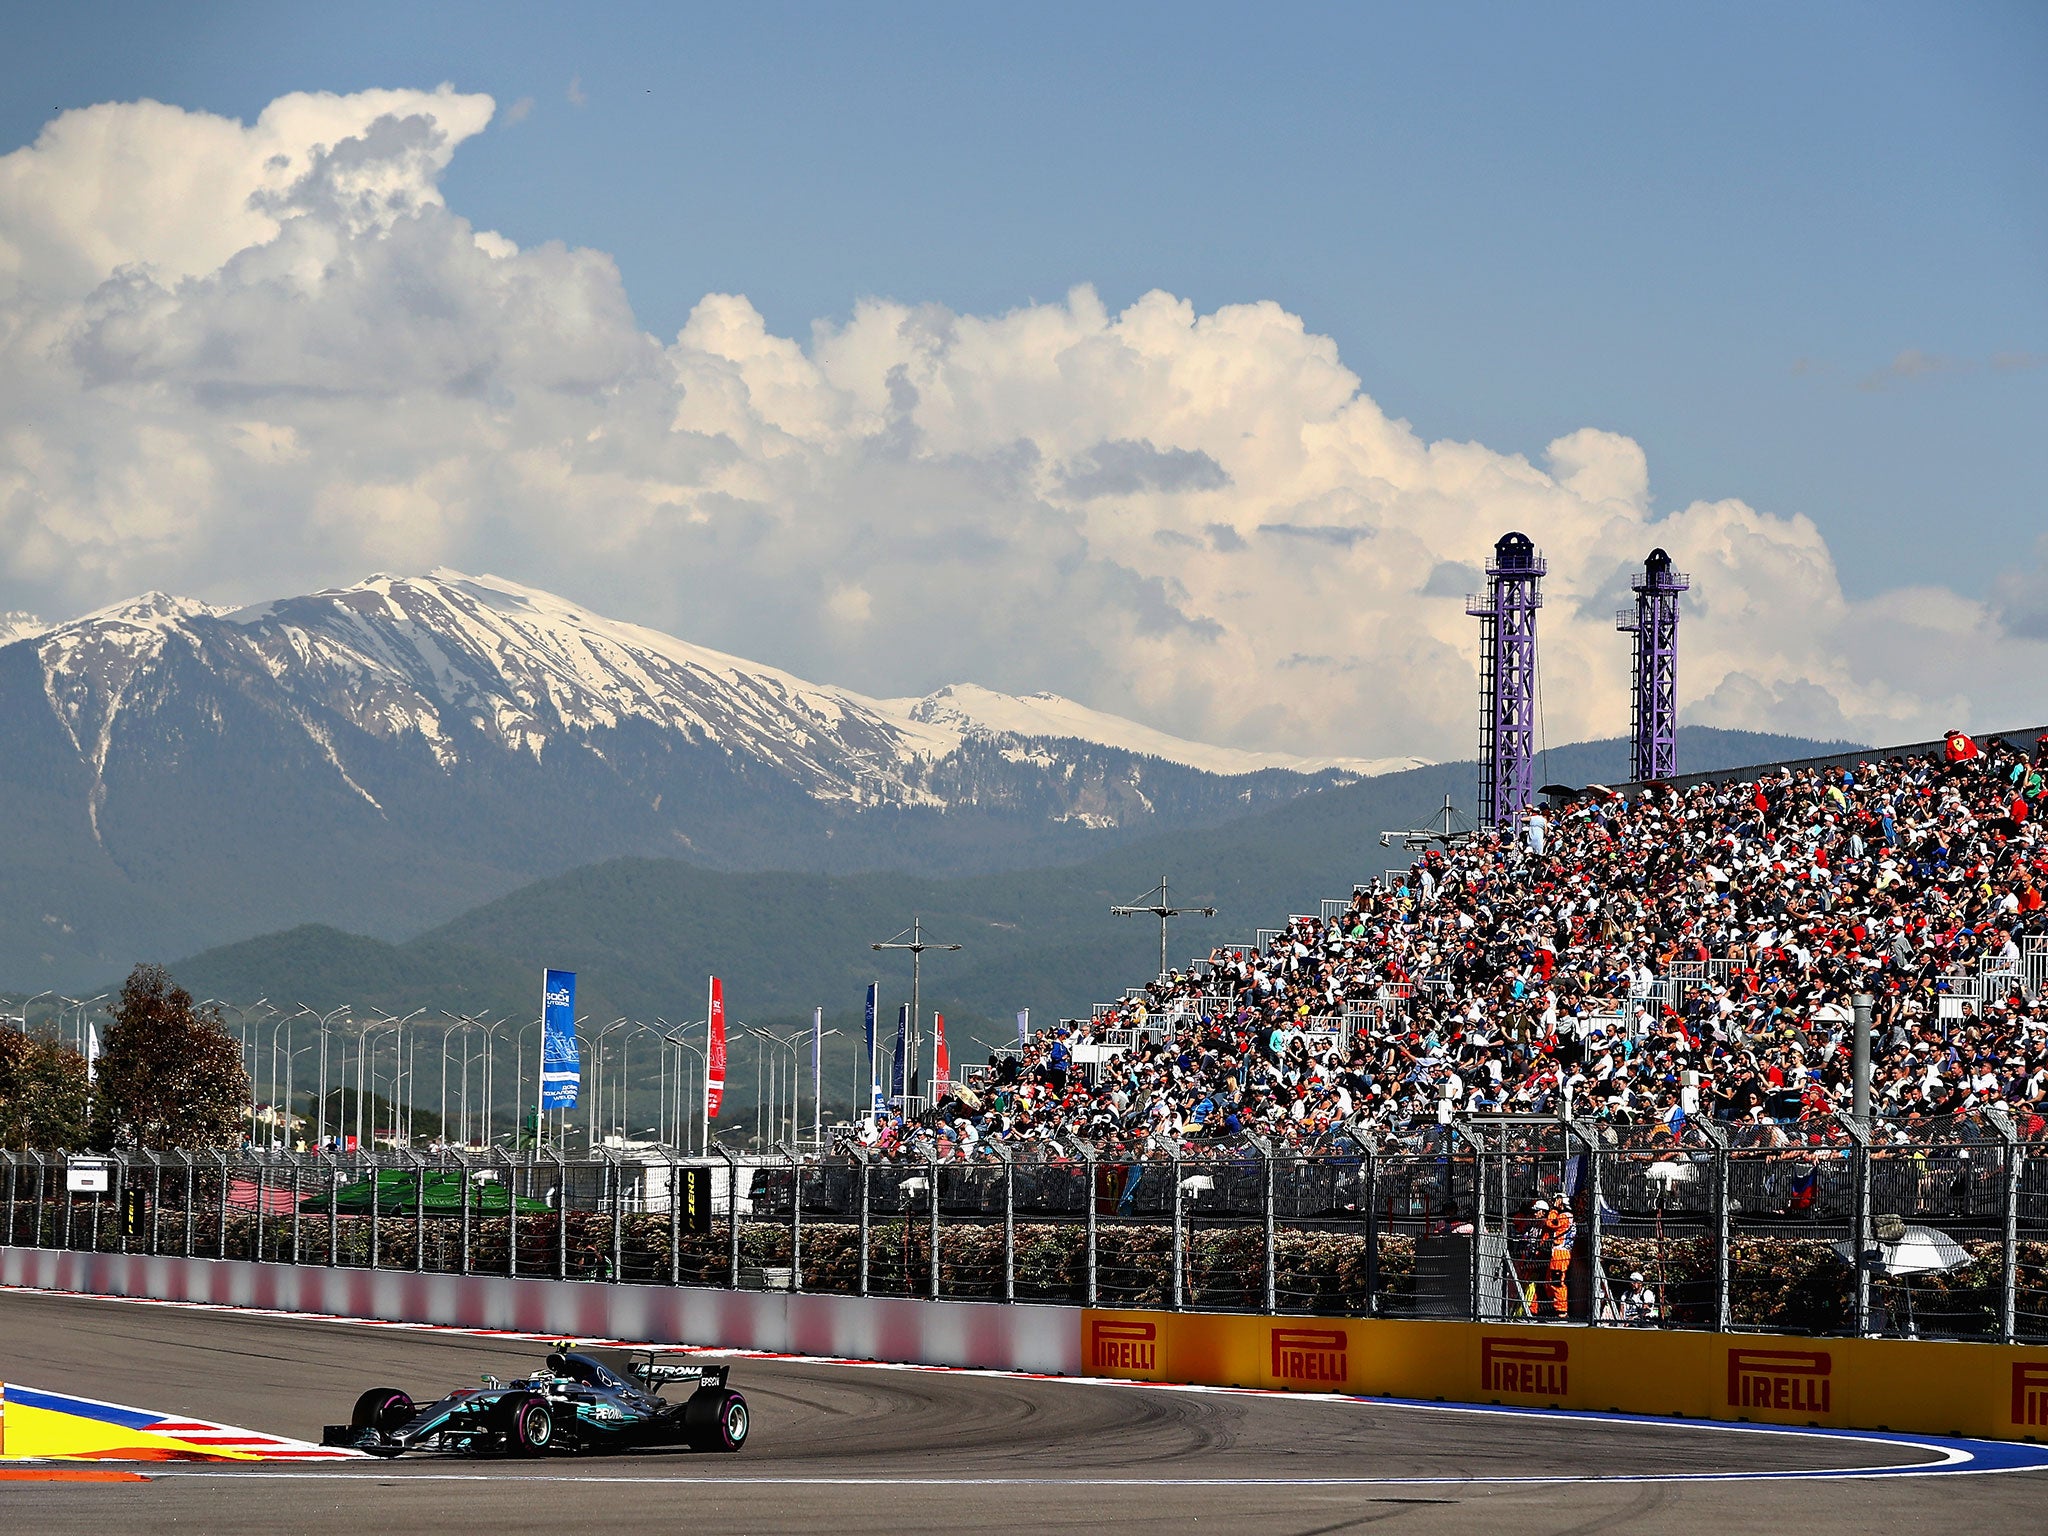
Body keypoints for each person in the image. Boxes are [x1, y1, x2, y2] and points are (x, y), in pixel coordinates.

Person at [1541, 1198, 1576, 1317]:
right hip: (1559, 1252)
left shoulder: (1565, 1216)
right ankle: (1555, 1306)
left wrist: (1554, 1209)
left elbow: (1550, 1223)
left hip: (1560, 1253)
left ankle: (1561, 1311)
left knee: (1557, 1282)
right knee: (1549, 1281)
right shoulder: (1568, 1216)